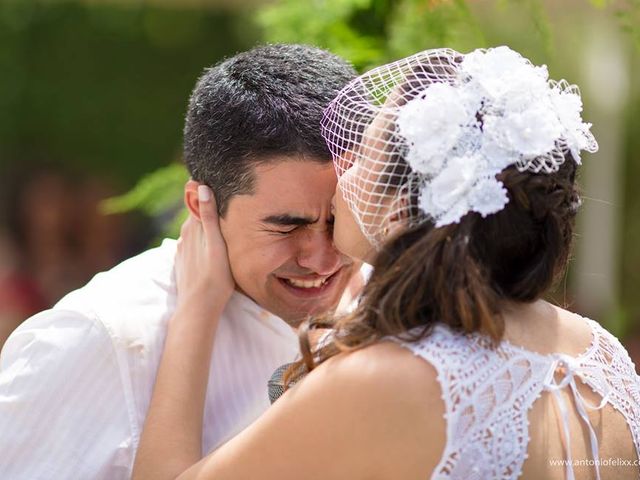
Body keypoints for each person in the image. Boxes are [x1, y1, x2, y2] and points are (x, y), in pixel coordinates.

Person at [132, 46, 640, 480]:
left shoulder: (387, 378)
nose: (343, 170)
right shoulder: (600, 356)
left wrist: (197, 305)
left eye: (365, 156)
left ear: (396, 210)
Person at [0, 44, 358, 479]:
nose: (322, 258)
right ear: (200, 205)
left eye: (340, 219)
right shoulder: (99, 336)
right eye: (287, 227)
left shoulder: (396, 300)